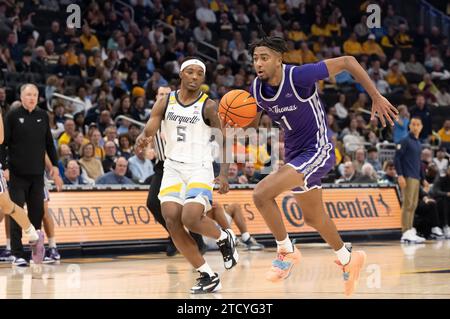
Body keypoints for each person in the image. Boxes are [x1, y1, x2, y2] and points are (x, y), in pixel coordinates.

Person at [226, 34, 398, 296]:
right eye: (255, 59)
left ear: (278, 59)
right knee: (313, 217)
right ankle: (348, 258)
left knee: (261, 193)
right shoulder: (257, 90)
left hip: (319, 149)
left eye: (264, 58)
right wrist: (231, 121)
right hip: (296, 155)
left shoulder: (300, 77)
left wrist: (375, 95)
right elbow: (250, 127)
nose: (258, 63)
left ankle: (286, 251)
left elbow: (349, 61)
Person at [135, 57, 237, 294]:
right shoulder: (165, 101)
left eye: (199, 74)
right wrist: (144, 137)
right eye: (189, 72)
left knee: (191, 217)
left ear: (203, 79)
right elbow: (151, 125)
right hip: (172, 167)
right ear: (181, 75)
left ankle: (224, 237)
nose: (194, 77)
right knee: (171, 218)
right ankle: (207, 274)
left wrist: (223, 174)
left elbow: (224, 140)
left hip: (199, 166)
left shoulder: (209, 105)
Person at [1, 84, 63, 266]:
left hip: (37, 175)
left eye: (35, 95)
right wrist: (5, 167)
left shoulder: (43, 116)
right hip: (16, 175)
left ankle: (37, 252)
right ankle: (17, 254)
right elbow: (2, 144)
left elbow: (49, 144)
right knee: (15, 212)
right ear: (21, 96)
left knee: (37, 214)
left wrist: (56, 167)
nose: (32, 97)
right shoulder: (12, 115)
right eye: (28, 94)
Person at [145, 86, 207, 257]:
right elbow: (148, 137)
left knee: (188, 206)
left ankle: (198, 242)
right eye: (161, 94)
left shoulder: (182, 114)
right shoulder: (155, 114)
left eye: (167, 94)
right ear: (156, 97)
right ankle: (175, 235)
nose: (164, 96)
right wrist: (146, 150)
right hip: (163, 166)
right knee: (153, 203)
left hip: (186, 164)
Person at [0, 109, 46, 265]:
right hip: (17, 172)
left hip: (30, 173)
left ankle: (31, 232)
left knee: (6, 206)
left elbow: (0, 139)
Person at [395, 117, 428, 244]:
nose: (415, 127)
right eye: (413, 124)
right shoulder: (405, 141)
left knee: (413, 205)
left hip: (416, 177)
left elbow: (419, 163)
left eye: (418, 124)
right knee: (407, 204)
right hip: (407, 176)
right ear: (409, 126)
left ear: (421, 127)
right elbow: (397, 158)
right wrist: (400, 175)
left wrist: (423, 179)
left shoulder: (418, 143)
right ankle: (405, 232)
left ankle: (410, 230)